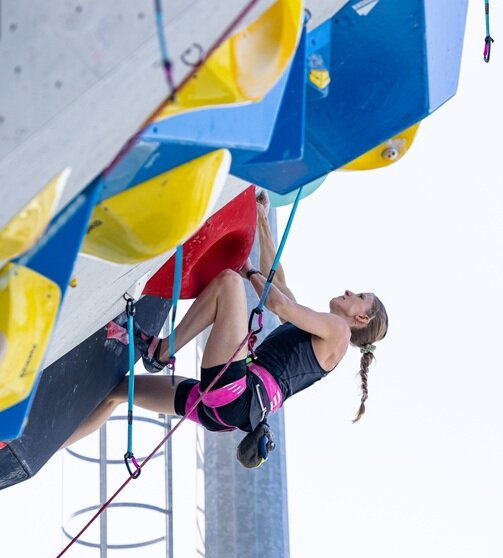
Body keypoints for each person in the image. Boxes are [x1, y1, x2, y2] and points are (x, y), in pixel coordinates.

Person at [63, 191, 388, 458]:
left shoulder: (339, 331)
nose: (349, 292)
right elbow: (278, 284)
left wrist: (247, 271)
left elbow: (278, 303)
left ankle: (160, 351)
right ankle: (49, 448)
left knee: (229, 282)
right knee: (118, 392)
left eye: (360, 296)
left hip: (237, 395)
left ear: (362, 318)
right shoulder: (320, 334)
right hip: (226, 410)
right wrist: (262, 221)